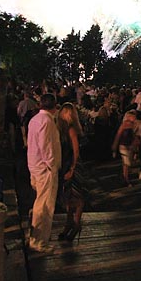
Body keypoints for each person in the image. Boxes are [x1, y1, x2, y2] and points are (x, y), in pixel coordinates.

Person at [26, 93, 62, 253]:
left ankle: (35, 236)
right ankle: (39, 240)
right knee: (45, 206)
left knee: (39, 202)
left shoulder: (35, 120)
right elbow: (46, 146)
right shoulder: (47, 121)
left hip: (35, 166)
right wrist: (52, 166)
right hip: (44, 169)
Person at [56, 102, 84, 242]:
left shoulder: (71, 130)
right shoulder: (62, 130)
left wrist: (73, 168)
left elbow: (76, 150)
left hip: (72, 164)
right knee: (68, 197)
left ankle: (75, 224)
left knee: (75, 196)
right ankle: (69, 224)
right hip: (65, 164)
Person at [112, 110, 140, 187]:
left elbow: (134, 136)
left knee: (127, 163)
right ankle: (126, 179)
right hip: (123, 146)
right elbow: (118, 135)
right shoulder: (124, 125)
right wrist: (114, 146)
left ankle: (125, 177)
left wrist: (136, 143)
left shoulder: (133, 125)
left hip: (129, 146)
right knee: (126, 162)